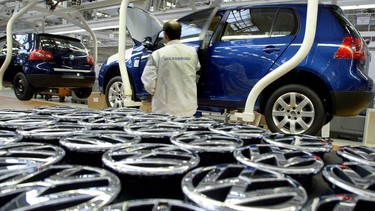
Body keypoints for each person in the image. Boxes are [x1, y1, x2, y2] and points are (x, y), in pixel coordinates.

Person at [141, 20, 201, 117]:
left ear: (165, 35)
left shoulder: (157, 54)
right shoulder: (192, 52)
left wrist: (155, 92)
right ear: (180, 34)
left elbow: (149, 82)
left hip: (164, 110)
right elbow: (196, 69)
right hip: (188, 109)